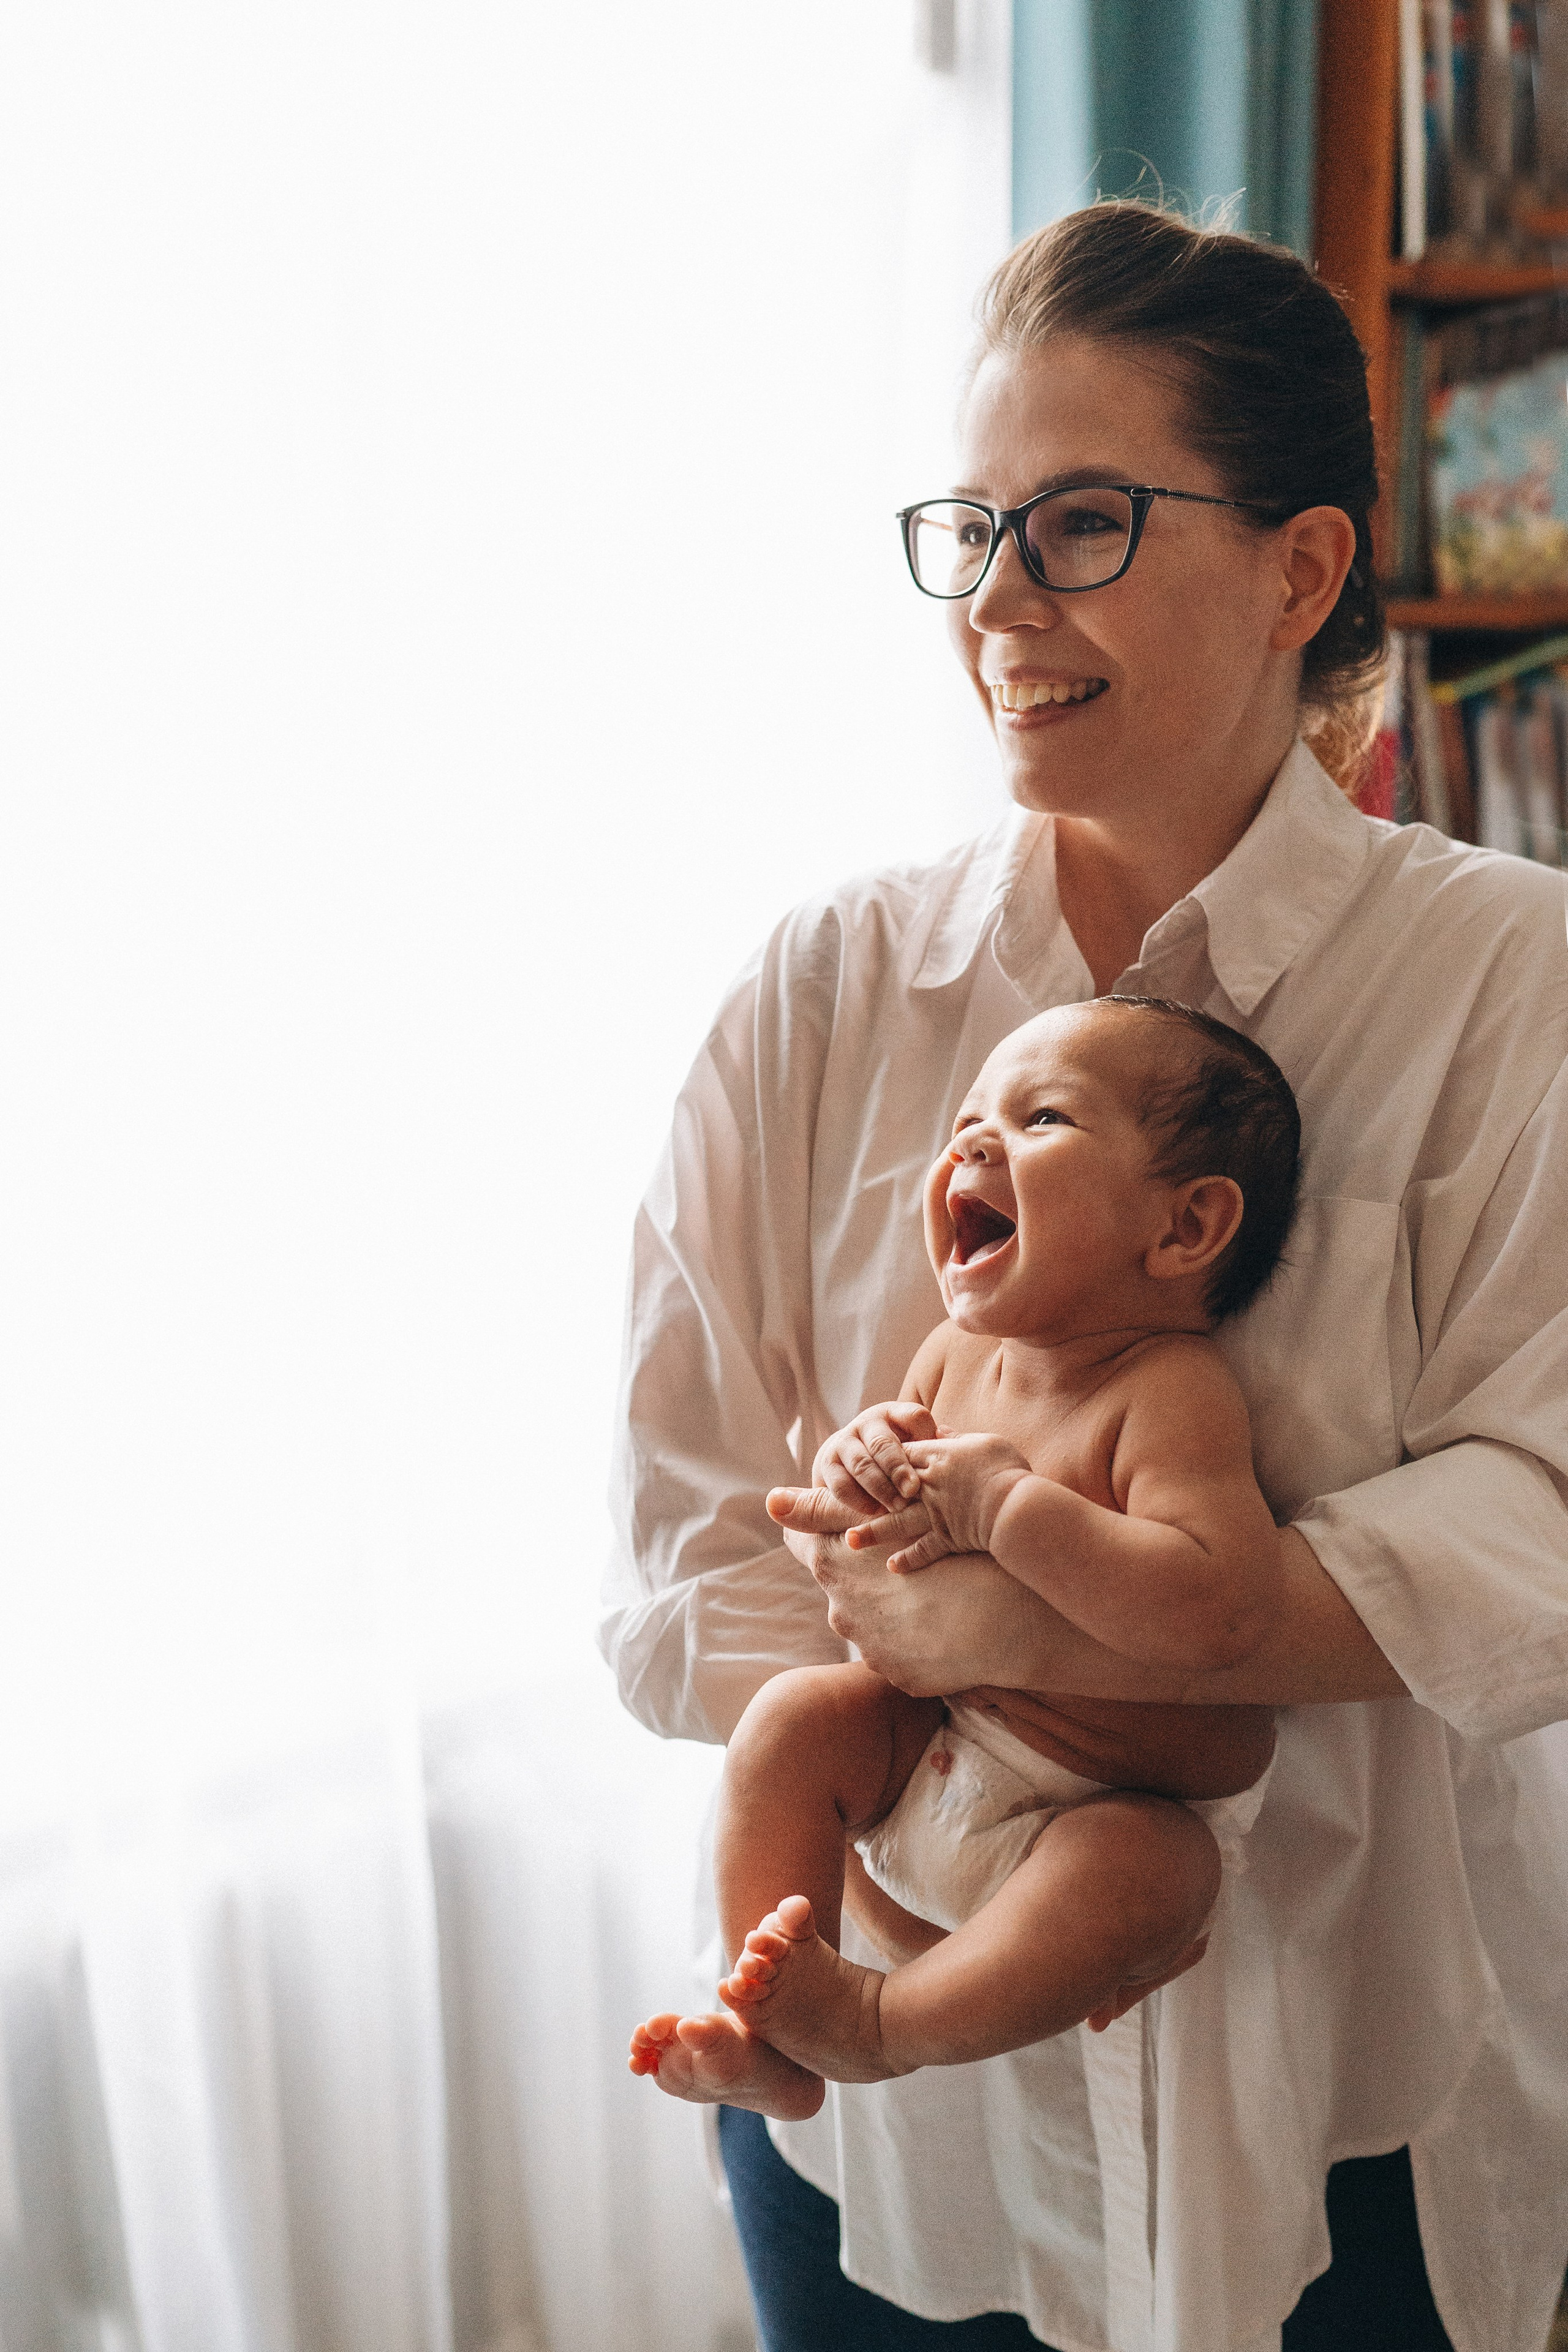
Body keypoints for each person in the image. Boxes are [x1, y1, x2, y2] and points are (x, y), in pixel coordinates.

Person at [601, 202, 1568, 2352]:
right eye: (975, 531)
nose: (1002, 603)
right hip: (889, 2127)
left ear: (1302, 571)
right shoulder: (826, 991)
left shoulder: (1517, 983)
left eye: (1087, 523)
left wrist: (1014, 1602)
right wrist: (917, 1861)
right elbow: (694, 1544)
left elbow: (1542, 1527)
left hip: (1354, 2106)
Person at [628, 996, 1293, 2115]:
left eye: (1042, 1119)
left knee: (1161, 1872)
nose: (972, 1143)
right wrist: (860, 1461)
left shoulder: (1169, 1394)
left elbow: (1221, 1612)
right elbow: (890, 1511)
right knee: (790, 1717)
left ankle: (880, 2027)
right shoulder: (954, 1355)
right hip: (932, 1746)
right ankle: (767, 2039)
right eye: (970, 1116)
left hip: (1095, 1811)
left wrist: (1010, 1509)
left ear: (1183, 1230)